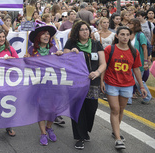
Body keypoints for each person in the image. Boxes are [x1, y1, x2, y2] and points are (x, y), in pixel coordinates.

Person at [100, 26, 147, 150]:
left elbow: (136, 69)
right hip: (112, 83)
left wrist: (141, 86)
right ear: (117, 36)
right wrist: (102, 81)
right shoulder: (110, 49)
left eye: (127, 35)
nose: (125, 37)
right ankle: (118, 138)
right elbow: (103, 66)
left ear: (130, 36)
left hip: (127, 85)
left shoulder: (134, 52)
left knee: (121, 110)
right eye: (122, 34)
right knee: (115, 109)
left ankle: (115, 130)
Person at [63, 21, 106, 150]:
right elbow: (64, 59)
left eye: (87, 29)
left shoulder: (96, 44)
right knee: (78, 110)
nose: (85, 31)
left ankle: (85, 130)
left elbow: (103, 63)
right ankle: (80, 137)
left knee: (91, 108)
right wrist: (71, 53)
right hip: (76, 83)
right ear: (77, 32)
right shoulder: (71, 43)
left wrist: (97, 73)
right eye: (82, 30)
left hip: (93, 82)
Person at [25, 25, 62, 145]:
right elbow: (28, 67)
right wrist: (26, 59)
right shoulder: (31, 50)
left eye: (48, 34)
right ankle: (43, 133)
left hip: (53, 85)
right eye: (43, 33)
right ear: (38, 37)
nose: (46, 36)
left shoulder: (54, 49)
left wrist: (61, 56)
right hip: (38, 85)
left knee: (53, 109)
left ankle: (49, 127)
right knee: (41, 109)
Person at [127, 18, 151, 105]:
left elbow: (145, 49)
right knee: (128, 79)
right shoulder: (128, 34)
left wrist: (145, 61)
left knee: (138, 80)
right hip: (128, 61)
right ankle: (128, 99)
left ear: (136, 25)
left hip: (138, 62)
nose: (129, 25)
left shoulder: (140, 35)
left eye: (131, 23)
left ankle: (147, 96)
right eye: (128, 23)